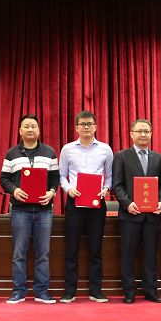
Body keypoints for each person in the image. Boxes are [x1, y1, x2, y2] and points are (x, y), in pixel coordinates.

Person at [0, 114, 60, 304]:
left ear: (39, 130)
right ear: (20, 131)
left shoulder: (49, 152)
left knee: (43, 253)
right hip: (20, 210)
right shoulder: (11, 154)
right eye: (26, 126)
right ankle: (18, 291)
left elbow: (55, 179)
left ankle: (42, 292)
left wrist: (51, 192)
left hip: (44, 210)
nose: (30, 129)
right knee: (19, 253)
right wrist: (14, 190)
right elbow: (4, 179)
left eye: (33, 126)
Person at [58, 110, 114, 303]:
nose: (86, 127)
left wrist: (106, 189)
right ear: (76, 128)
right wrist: (68, 189)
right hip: (75, 202)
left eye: (90, 123)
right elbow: (61, 175)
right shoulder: (67, 149)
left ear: (96, 126)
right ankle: (69, 291)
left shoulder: (105, 149)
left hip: (97, 203)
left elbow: (110, 176)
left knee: (95, 249)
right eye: (82, 124)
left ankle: (96, 290)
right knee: (72, 248)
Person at [112, 119, 161, 303]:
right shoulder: (121, 156)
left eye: (146, 131)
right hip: (130, 215)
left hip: (152, 216)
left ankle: (151, 290)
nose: (143, 134)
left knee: (151, 255)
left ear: (151, 134)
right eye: (139, 131)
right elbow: (117, 185)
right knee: (127, 255)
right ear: (131, 134)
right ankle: (129, 291)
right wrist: (127, 203)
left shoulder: (158, 158)